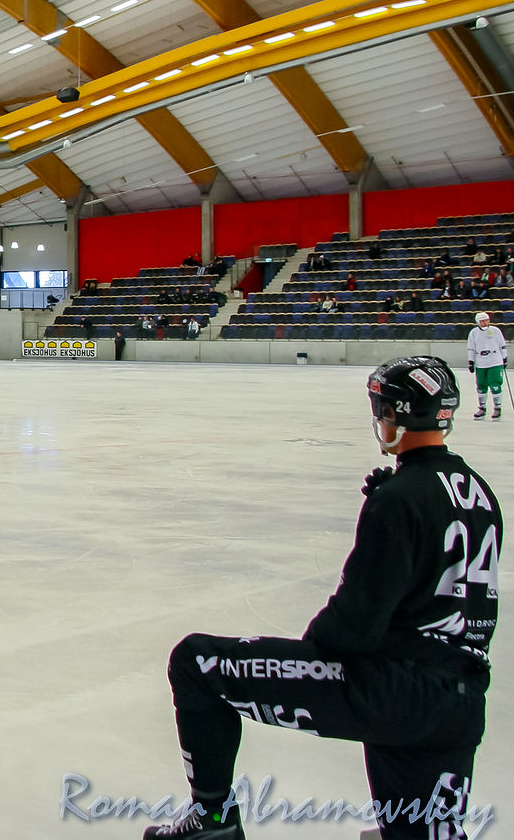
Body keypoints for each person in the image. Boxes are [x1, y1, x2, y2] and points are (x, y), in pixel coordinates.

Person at [140, 356, 499, 840]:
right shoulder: (479, 493)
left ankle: (213, 820)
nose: (378, 418)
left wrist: (315, 652)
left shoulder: (399, 498)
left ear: (398, 414)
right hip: (459, 702)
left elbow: (355, 626)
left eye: (382, 409)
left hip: (394, 691)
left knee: (197, 663)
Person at [467, 311, 507, 420]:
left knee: (495, 384)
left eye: (486, 320)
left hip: (495, 361)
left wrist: (504, 358)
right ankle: (482, 408)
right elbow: (471, 348)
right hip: (481, 362)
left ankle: (497, 408)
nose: (485, 322)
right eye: (482, 321)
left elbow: (502, 345)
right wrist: (471, 361)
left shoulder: (495, 330)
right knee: (481, 385)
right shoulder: (474, 333)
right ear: (478, 322)